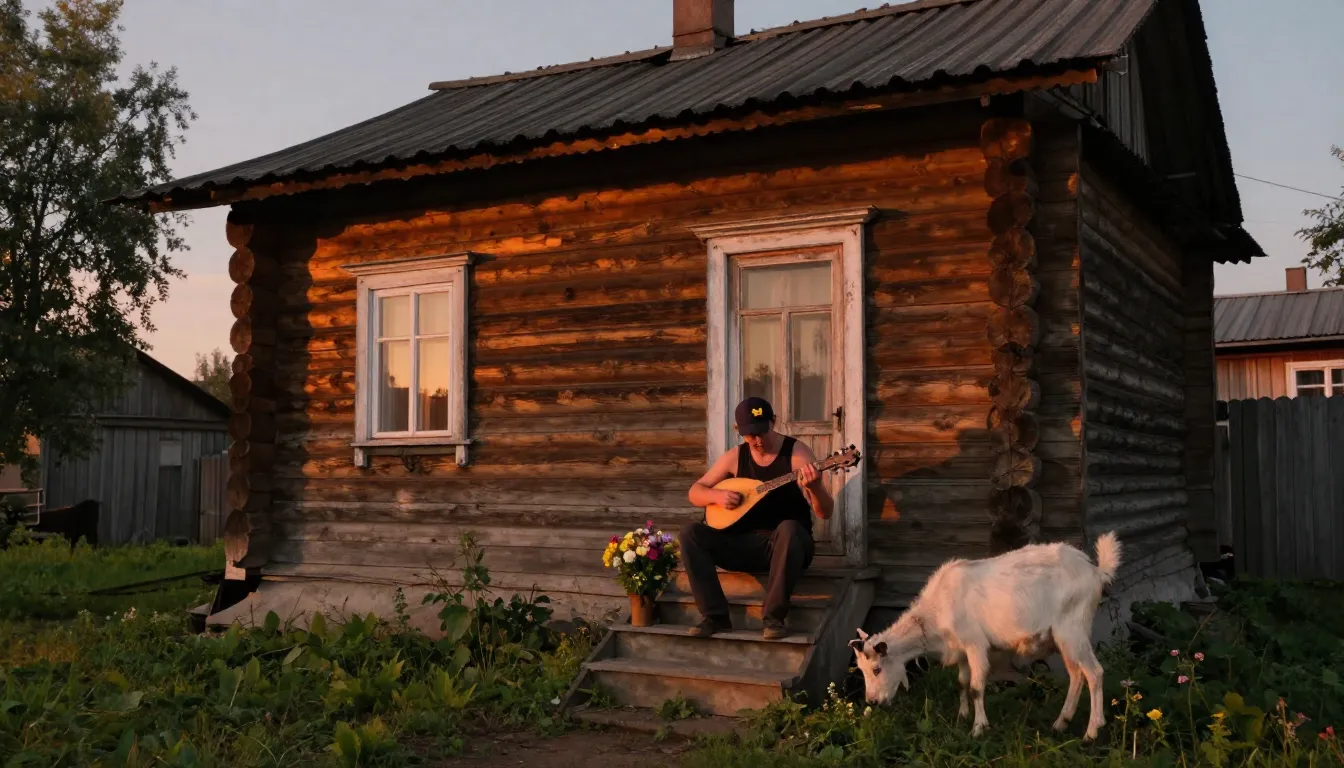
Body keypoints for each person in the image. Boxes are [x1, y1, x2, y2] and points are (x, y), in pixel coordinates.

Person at [680, 396, 833, 640]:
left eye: (763, 432)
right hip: (741, 546)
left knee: (790, 528)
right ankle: (715, 617)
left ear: (774, 421)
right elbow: (695, 492)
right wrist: (716, 496)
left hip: (785, 548)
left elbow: (825, 512)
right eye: (750, 435)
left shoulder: (797, 454)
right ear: (738, 430)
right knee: (690, 533)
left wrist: (815, 487)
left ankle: (773, 619)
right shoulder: (735, 457)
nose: (758, 441)